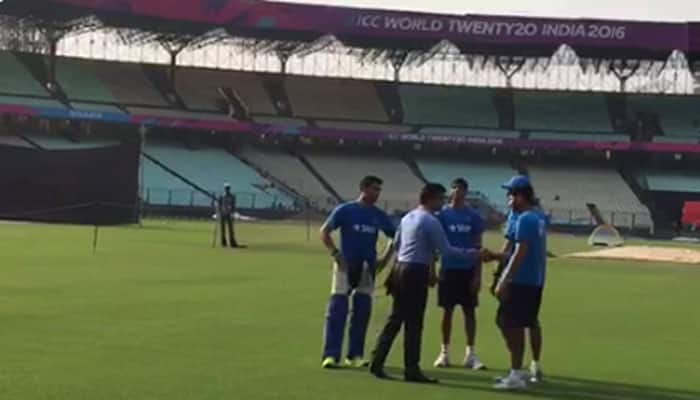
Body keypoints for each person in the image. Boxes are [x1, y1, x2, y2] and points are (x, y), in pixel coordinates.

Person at [369, 183, 489, 384]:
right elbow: (447, 250)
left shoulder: (408, 217)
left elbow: (398, 244)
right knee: (414, 323)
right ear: (431, 198)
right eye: (440, 198)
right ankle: (411, 368)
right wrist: (475, 253)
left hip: (401, 268)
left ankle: (377, 360)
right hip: (415, 272)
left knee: (395, 318)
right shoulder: (431, 221)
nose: (443, 202)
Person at [320, 176, 396, 369]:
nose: (377, 193)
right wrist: (336, 253)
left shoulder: (379, 215)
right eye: (374, 189)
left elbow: (395, 237)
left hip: (367, 267)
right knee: (337, 310)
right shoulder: (346, 210)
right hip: (346, 265)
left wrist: (384, 259)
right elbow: (324, 231)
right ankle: (331, 355)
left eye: (379, 190)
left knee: (362, 311)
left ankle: (355, 355)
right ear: (363, 188)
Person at [491, 175, 548, 391]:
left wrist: (505, 279)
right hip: (533, 280)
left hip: (522, 281)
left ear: (521, 195)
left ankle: (516, 373)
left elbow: (520, 252)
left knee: (509, 323)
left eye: (512, 194)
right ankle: (518, 370)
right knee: (519, 323)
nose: (509, 199)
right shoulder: (537, 217)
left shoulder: (525, 219)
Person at [433, 178, 487, 370]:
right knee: (447, 311)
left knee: (469, 312)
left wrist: (478, 275)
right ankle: (444, 352)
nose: (457, 192)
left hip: (468, 269)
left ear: (466, 192)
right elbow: (434, 244)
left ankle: (470, 354)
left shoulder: (473, 216)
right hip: (448, 269)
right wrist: (433, 268)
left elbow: (478, 245)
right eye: (455, 188)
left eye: (461, 189)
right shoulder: (442, 215)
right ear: (450, 191)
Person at [219, 184, 238, 248]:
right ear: (224, 189)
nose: (227, 189)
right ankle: (223, 242)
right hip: (222, 214)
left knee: (231, 229)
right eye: (226, 188)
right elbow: (219, 205)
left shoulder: (232, 196)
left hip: (229, 214)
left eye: (228, 188)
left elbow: (233, 205)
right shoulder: (221, 196)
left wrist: (233, 213)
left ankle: (232, 242)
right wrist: (219, 212)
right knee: (223, 229)